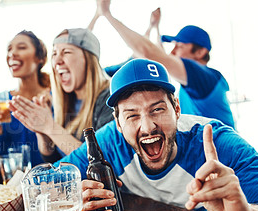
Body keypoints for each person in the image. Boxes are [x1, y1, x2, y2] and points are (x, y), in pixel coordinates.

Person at [58, 58, 258, 211]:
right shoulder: (107, 142)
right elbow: (49, 182)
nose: (147, 127)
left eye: (157, 110)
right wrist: (76, 202)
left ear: (176, 108)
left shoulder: (217, 143)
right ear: (118, 123)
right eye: (132, 115)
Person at [92, 0, 235, 129]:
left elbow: (150, 54)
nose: (172, 52)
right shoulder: (197, 83)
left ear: (200, 52)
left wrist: (107, 14)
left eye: (179, 46)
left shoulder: (203, 76)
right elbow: (158, 58)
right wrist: (155, 27)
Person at [10, 28, 113, 162]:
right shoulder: (66, 101)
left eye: (66, 52)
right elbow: (55, 160)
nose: (57, 61)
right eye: (54, 54)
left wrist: (49, 126)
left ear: (89, 59)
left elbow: (100, 163)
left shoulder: (109, 100)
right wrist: (41, 131)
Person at [0, 30, 50, 166]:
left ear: (39, 58)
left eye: (21, 47)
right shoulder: (0, 102)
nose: (12, 54)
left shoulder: (54, 99)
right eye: (9, 49)